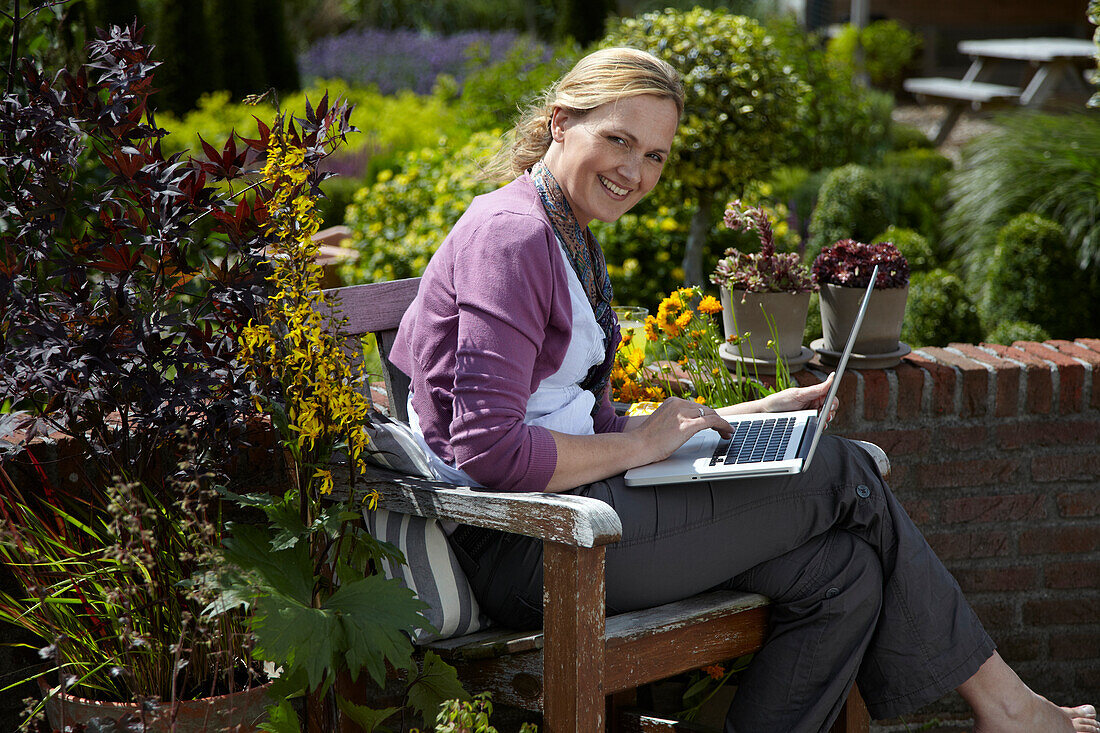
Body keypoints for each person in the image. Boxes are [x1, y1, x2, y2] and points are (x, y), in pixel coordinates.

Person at [388, 47, 1097, 733]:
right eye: (618, 139)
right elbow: (487, 448)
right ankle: (1006, 706)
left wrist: (734, 415)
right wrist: (639, 443)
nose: (635, 171)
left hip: (575, 518)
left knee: (842, 574)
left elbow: (579, 416)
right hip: (529, 546)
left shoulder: (567, 232)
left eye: (656, 155)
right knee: (834, 470)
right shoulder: (510, 236)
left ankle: (1005, 708)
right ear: (560, 122)